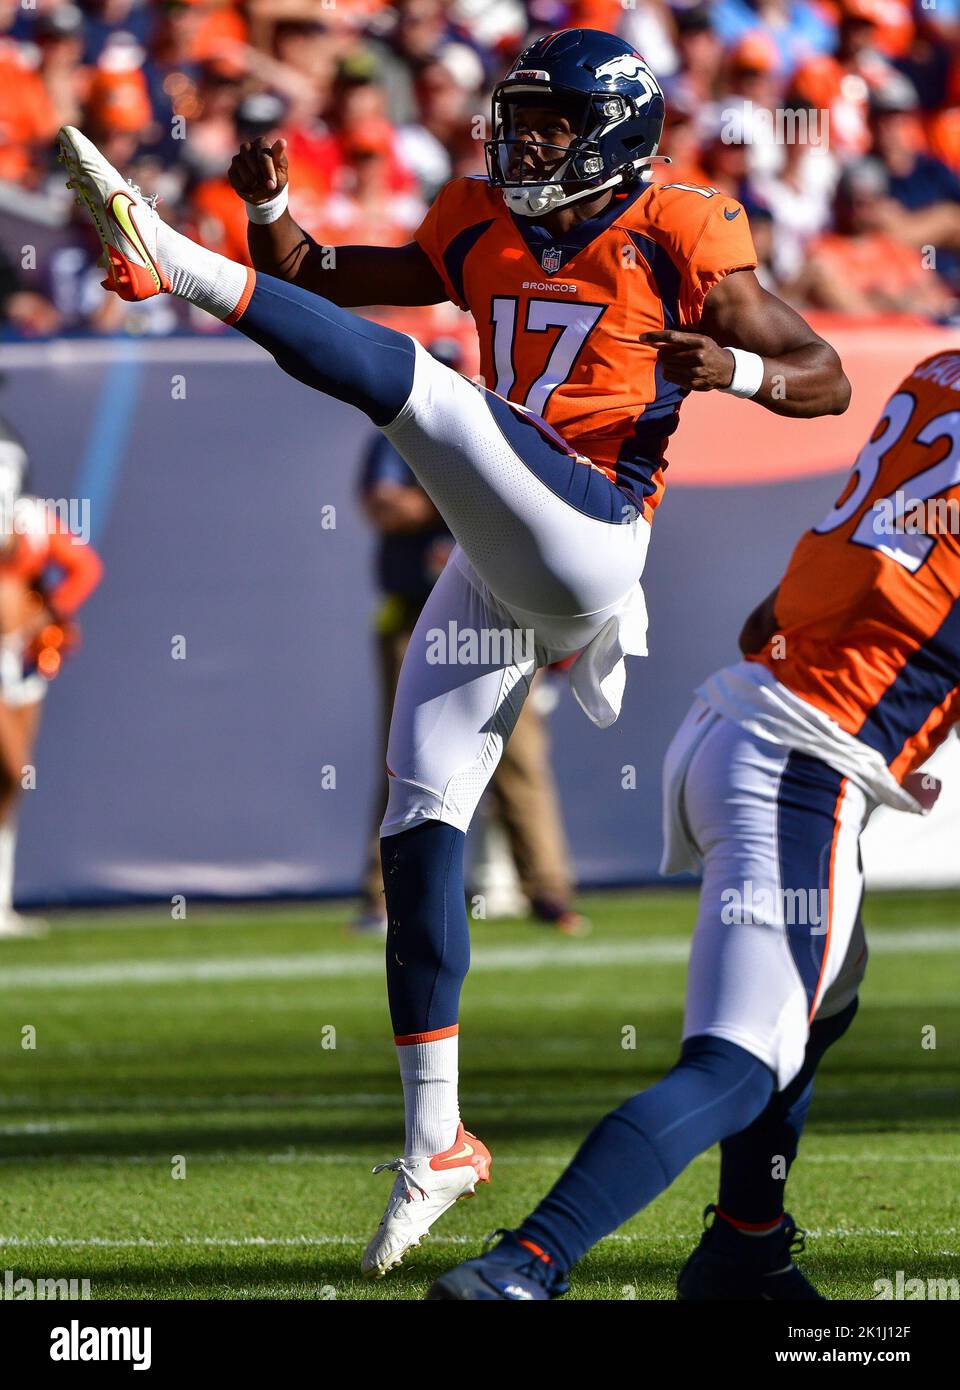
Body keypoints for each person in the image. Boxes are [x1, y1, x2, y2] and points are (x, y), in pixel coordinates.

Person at [58, 24, 849, 1278]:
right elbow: (328, 278)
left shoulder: (687, 225)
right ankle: (438, 1141)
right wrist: (271, 216)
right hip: (497, 540)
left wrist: (743, 368)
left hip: (592, 524)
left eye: (549, 123)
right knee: (420, 808)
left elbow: (828, 376)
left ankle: (178, 264)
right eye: (517, 117)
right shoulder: (478, 210)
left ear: (618, 134)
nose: (522, 141)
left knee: (432, 391)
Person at [428, 347, 960, 1299]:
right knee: (739, 1058)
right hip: (800, 767)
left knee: (825, 1000)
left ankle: (745, 1250)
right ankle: (526, 1265)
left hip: (749, 719)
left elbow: (769, 621)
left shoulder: (938, 373)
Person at [355, 341, 585, 937]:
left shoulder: (497, 424)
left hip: (498, 615)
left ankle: (549, 891)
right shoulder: (395, 433)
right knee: (405, 756)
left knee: (521, 756)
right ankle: (384, 896)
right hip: (416, 615)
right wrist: (459, 494)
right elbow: (386, 505)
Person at [0, 415, 103, 938]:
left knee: (10, 783)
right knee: (12, 767)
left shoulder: (35, 521)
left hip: (21, 657)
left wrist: (49, 613)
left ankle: (1, 901)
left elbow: (84, 567)